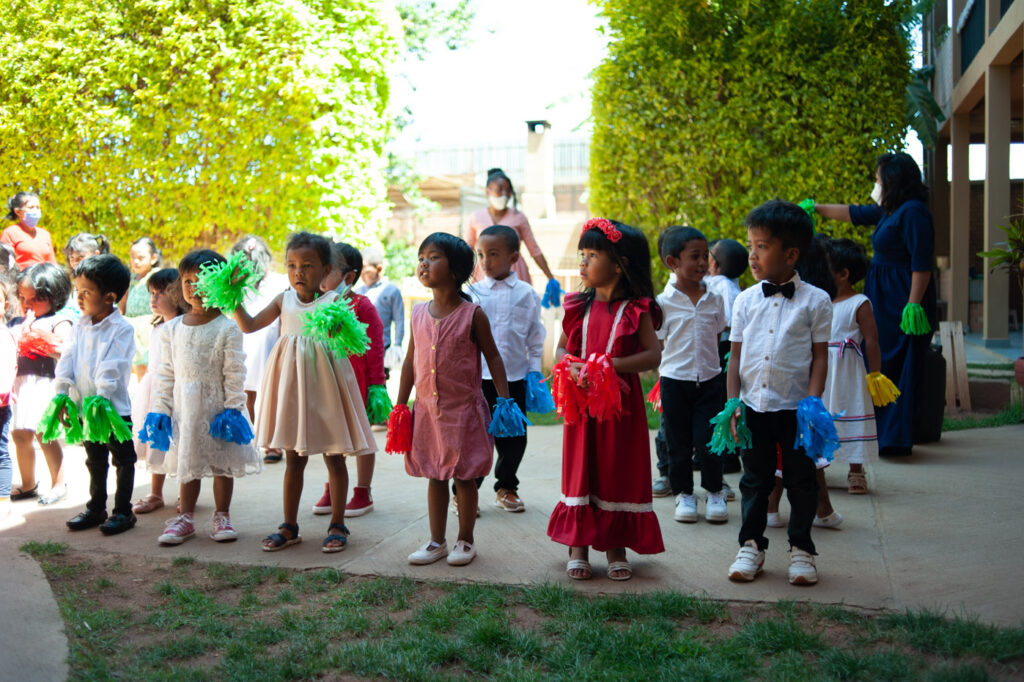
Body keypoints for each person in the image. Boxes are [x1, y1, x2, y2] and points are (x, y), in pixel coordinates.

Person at [232, 232, 375, 553]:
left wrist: (339, 328)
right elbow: (249, 325)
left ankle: (337, 523)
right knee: (293, 458)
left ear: (326, 270)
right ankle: (289, 525)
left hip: (325, 387)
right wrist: (232, 297)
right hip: (292, 386)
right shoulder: (283, 300)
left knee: (334, 456)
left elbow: (351, 341)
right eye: (292, 265)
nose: (298, 272)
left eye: (308, 265)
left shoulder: (334, 302)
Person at [548, 218, 664, 582]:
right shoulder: (577, 306)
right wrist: (570, 365)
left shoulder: (636, 309)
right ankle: (577, 547)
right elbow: (561, 348)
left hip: (620, 408)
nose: (583, 261)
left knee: (617, 469)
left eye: (592, 255)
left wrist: (610, 365)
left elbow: (652, 355)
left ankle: (616, 547)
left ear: (619, 264)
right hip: (582, 406)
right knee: (582, 468)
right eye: (582, 253)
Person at [724, 200, 832, 586]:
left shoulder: (816, 301)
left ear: (790, 254)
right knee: (755, 480)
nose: (752, 255)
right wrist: (732, 404)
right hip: (754, 406)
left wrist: (813, 404)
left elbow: (820, 358)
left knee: (802, 480)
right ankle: (751, 545)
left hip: (796, 409)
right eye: (750, 246)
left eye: (762, 246)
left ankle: (801, 549)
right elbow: (735, 358)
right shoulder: (744, 300)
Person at [394, 232, 516, 567]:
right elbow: (410, 361)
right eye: (421, 257)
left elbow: (493, 358)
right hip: (427, 412)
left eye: (433, 257)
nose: (424, 263)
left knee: (463, 475)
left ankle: (466, 540)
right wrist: (401, 405)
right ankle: (436, 541)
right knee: (434, 474)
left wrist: (504, 402)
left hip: (463, 413)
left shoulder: (472, 314)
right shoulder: (418, 313)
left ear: (456, 269)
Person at [812, 152, 936, 456]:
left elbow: (922, 264)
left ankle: (895, 438)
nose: (876, 184)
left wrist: (913, 306)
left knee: (895, 362)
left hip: (902, 300)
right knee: (880, 362)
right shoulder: (890, 210)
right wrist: (814, 208)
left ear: (893, 181)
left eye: (878, 179)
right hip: (883, 295)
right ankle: (879, 433)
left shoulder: (914, 212)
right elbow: (854, 213)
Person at [147, 250, 261, 545]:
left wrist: (233, 409)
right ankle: (185, 518)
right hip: (185, 410)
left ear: (221, 284)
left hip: (218, 408)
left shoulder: (228, 327)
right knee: (189, 461)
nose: (195, 287)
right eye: (188, 281)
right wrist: (160, 408)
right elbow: (166, 373)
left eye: (204, 281)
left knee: (222, 463)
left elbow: (234, 372)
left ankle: (222, 515)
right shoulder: (171, 329)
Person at [464, 224, 545, 513]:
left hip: (514, 379)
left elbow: (535, 337)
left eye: (493, 254)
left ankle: (507, 487)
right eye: (481, 254)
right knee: (476, 438)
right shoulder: (471, 294)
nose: (485, 261)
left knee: (514, 438)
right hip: (479, 380)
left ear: (514, 257)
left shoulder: (527, 294)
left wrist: (534, 371)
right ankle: (465, 492)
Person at [56, 255, 138, 534]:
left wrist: (101, 397)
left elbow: (113, 365)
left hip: (111, 409)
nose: (79, 298)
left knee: (123, 459)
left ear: (109, 297)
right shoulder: (79, 325)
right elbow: (67, 358)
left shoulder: (121, 328)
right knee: (94, 459)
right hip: (85, 406)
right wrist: (62, 393)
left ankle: (123, 511)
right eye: (77, 291)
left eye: (86, 292)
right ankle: (96, 508)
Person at [655, 226, 728, 524]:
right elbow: (660, 341)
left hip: (710, 381)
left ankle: (714, 491)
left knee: (709, 440)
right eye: (694, 257)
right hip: (675, 382)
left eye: (705, 256)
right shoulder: (663, 302)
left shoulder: (715, 298)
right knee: (678, 443)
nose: (702, 263)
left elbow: (718, 333)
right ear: (673, 262)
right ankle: (684, 494)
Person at [312, 241, 385, 518]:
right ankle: (334, 487)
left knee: (362, 438)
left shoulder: (362, 306)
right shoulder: (316, 305)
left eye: (327, 271)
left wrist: (377, 386)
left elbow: (374, 348)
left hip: (358, 383)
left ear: (349, 276)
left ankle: (363, 491)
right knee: (332, 437)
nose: (320, 276)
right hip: (327, 382)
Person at [9, 263, 73, 504]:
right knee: (19, 434)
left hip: (45, 384)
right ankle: (28, 483)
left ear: (54, 296)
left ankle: (58, 483)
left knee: (45, 433)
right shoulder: (17, 321)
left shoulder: (58, 321)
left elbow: (67, 352)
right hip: (20, 384)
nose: (27, 304)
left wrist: (45, 343)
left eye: (35, 299)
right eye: (22, 298)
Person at [131, 268, 188, 515]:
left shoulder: (184, 325)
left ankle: (185, 493)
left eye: (160, 293)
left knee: (180, 441)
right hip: (154, 389)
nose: (153, 299)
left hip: (175, 389)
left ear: (177, 295)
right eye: (151, 293)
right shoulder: (156, 326)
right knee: (157, 439)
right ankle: (155, 493)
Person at [229, 236, 281, 460]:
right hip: (246, 340)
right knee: (246, 393)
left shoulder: (278, 282)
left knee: (272, 394)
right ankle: (248, 441)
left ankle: (272, 442)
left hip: (270, 340)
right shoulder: (238, 285)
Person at [463, 168, 556, 286]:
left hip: (515, 273)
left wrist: (550, 278)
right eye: (499, 189)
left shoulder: (519, 217)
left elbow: (534, 250)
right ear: (487, 191)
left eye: (508, 191)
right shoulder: (476, 217)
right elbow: (467, 249)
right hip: (484, 273)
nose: (504, 194)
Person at [353, 246, 404, 388]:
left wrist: (397, 346)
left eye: (366, 271)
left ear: (379, 268)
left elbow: (399, 321)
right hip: (360, 347)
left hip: (382, 347)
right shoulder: (358, 291)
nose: (362, 276)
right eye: (360, 272)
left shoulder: (392, 291)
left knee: (378, 384)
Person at [120, 237, 162, 383]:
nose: (136, 261)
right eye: (133, 257)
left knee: (150, 366)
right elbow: (123, 303)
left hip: (149, 326)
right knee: (138, 367)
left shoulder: (156, 276)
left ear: (153, 258)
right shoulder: (130, 279)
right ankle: (141, 393)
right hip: (132, 327)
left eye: (141, 258)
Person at [0, 269, 17, 523]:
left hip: (1, 404)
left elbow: (5, 373)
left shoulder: (4, 334)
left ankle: (3, 499)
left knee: (1, 451)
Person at [2, 192, 56, 269]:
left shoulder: (45, 234)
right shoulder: (10, 233)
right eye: (31, 207)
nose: (35, 210)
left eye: (38, 207)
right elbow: (4, 264)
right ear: (18, 212)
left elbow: (52, 264)